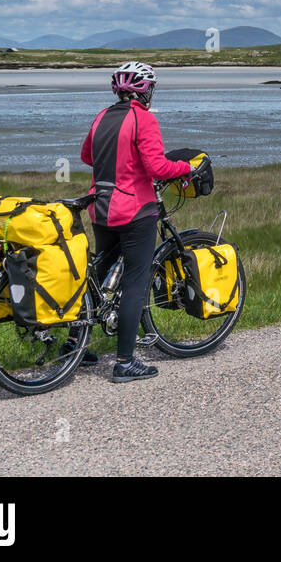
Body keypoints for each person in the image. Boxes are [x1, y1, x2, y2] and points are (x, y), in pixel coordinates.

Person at [76, 61, 192, 383]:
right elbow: (157, 167)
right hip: (135, 212)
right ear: (146, 90)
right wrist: (184, 168)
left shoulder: (101, 117)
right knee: (136, 283)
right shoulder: (144, 119)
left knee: (99, 275)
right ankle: (125, 362)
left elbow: (87, 156)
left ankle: (75, 345)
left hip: (101, 209)